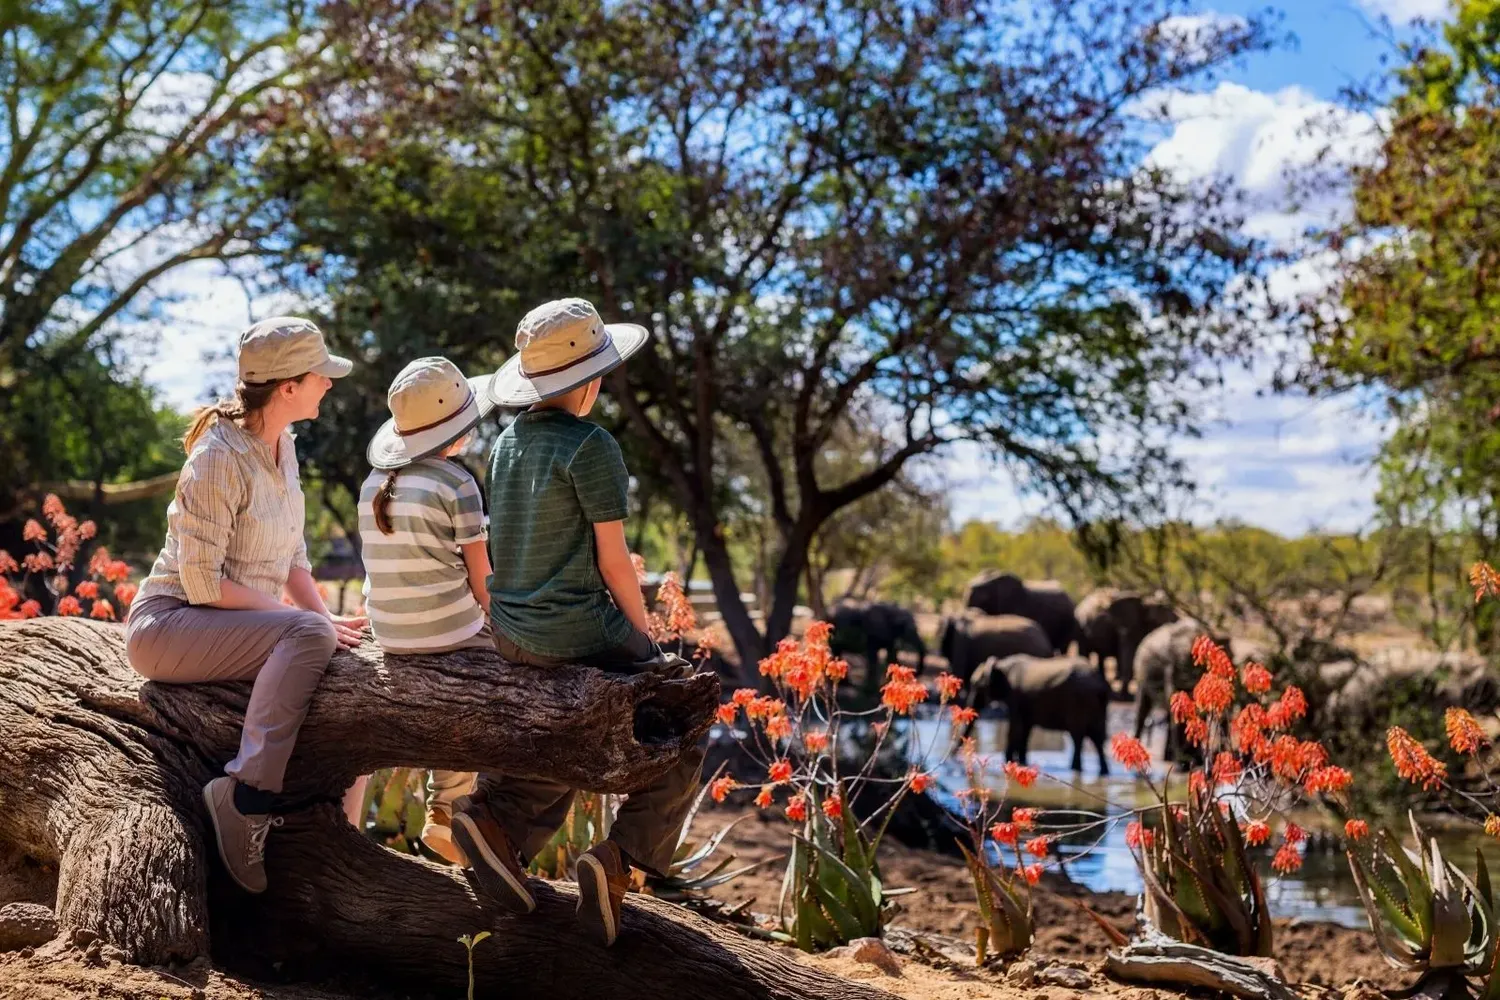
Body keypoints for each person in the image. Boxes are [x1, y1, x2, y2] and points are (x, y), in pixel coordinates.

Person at [450, 297, 706, 948]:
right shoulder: (593, 445)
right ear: (589, 379)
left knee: (569, 730)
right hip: (577, 631)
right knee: (687, 718)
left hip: (512, 630)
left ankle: (497, 821)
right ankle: (618, 862)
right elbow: (614, 563)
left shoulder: (506, 442)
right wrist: (647, 647)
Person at [124, 317, 368, 894]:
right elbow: (202, 584)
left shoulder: (284, 447)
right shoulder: (217, 456)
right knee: (309, 636)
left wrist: (323, 617)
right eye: (320, 376)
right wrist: (305, 624)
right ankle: (245, 797)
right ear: (287, 387)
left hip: (239, 624)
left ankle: (348, 848)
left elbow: (294, 559)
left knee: (344, 655)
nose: (329, 384)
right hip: (170, 625)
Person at [351, 357, 498, 862]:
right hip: (450, 627)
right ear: (457, 432)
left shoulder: (373, 484)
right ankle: (452, 812)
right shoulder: (458, 484)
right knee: (497, 671)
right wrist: (501, 623)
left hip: (390, 633)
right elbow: (482, 579)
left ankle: (446, 812)